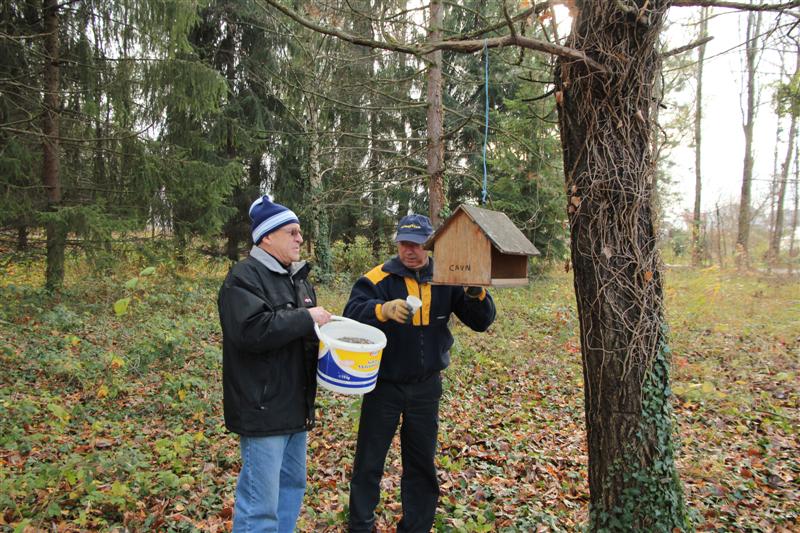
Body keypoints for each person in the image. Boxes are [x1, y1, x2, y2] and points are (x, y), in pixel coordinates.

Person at [343, 213, 496, 533]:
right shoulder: (379, 278)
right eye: (404, 244)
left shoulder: (448, 275)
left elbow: (480, 321)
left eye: (417, 244)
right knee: (369, 462)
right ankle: (360, 526)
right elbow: (349, 314)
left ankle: (416, 526)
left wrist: (475, 292)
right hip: (383, 386)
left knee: (421, 464)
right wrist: (380, 310)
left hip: (426, 388)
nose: (409, 250)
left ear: (430, 244)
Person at [218, 195, 332, 533]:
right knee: (259, 508)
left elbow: (303, 335)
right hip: (263, 408)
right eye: (292, 232)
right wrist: (307, 317)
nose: (300, 238)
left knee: (291, 491)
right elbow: (250, 331)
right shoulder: (243, 278)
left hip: (296, 408)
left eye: (300, 232)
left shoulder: (298, 278)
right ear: (267, 236)